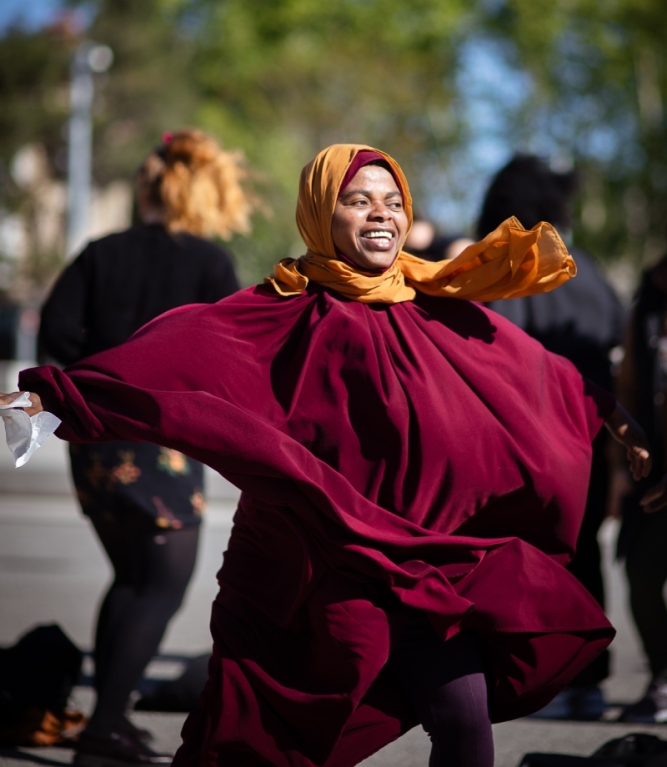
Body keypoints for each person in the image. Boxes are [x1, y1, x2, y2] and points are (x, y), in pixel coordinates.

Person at [4, 143, 655, 767]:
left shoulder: (434, 308)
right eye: (358, 200)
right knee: (278, 736)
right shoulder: (281, 309)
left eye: (392, 201)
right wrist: (50, 397)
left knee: (462, 714)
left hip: (422, 562)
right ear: (321, 212)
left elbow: (541, 376)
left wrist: (619, 424)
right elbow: (172, 354)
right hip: (316, 563)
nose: (382, 214)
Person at [37, 129, 255, 766]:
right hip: (159, 439)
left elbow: (55, 333)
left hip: (92, 434)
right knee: (163, 582)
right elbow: (227, 352)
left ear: (147, 187)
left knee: (130, 577)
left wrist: (81, 397)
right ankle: (104, 727)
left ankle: (109, 721)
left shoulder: (100, 253)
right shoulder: (209, 263)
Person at [477, 155, 626, 720]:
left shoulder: (500, 267)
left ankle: (525, 674)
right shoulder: (587, 270)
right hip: (587, 443)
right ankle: (588, 676)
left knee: (513, 561)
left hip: (515, 445)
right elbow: (620, 348)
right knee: (582, 554)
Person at [615, 253, 667, 722]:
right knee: (642, 578)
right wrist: (619, 468)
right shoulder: (648, 304)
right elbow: (628, 387)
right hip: (651, 470)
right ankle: (662, 677)